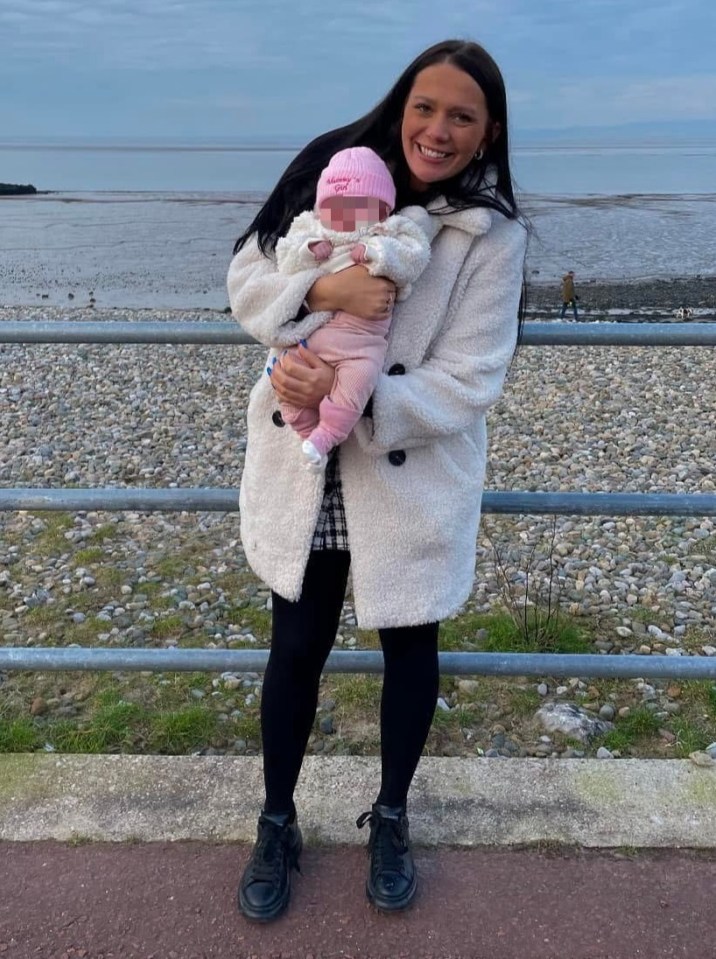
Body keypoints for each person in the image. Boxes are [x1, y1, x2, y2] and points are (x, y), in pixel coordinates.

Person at [227, 38, 527, 921]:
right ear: (402, 104)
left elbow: (472, 377)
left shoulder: (490, 234)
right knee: (297, 646)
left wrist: (354, 401)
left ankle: (390, 814)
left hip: (405, 466)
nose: (437, 129)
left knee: (410, 649)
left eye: (461, 116)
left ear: (488, 132)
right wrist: (325, 298)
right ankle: (276, 818)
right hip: (305, 456)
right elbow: (247, 272)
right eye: (425, 107)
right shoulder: (332, 167)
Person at [274, 146, 435, 471]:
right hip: (313, 337)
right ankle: (309, 436)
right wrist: (309, 252)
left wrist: (376, 253)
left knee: (358, 380)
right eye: (337, 206)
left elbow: (413, 258)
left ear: (383, 210)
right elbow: (285, 257)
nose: (348, 215)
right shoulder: (313, 230)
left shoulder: (388, 233)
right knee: (285, 380)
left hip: (361, 344)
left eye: (361, 207)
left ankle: (327, 434)